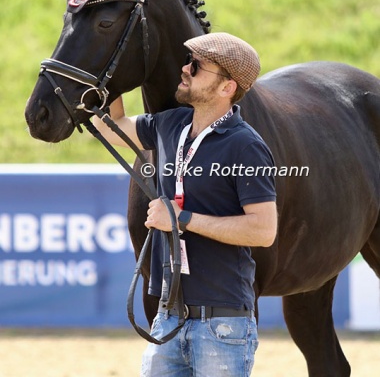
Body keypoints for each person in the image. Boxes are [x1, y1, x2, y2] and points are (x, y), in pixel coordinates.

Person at [94, 32, 277, 377]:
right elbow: (114, 127)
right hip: (168, 319)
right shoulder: (171, 124)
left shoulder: (246, 146)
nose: (185, 69)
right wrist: (116, 75)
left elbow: (263, 230)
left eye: (196, 66)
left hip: (222, 326)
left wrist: (182, 218)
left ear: (227, 88)